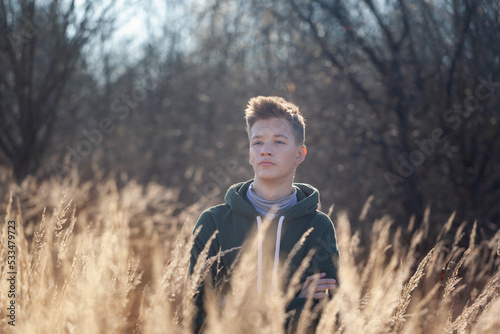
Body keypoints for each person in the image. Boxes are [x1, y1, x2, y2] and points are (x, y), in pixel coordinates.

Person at [188, 96, 339, 332]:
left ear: (300, 154)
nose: (266, 151)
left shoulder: (318, 226)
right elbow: (196, 315)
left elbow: (326, 315)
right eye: (257, 143)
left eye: (279, 142)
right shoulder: (213, 222)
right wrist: (297, 302)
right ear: (250, 154)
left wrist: (234, 307)